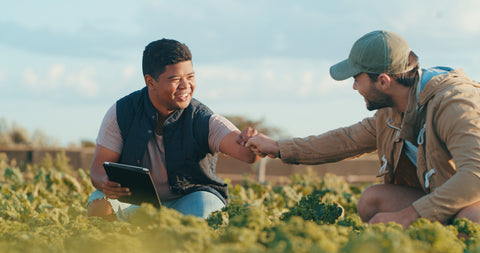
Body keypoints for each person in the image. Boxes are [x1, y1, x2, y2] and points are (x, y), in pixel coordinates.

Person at [237, 30, 480, 229]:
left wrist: (408, 215)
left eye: (356, 78)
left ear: (383, 81)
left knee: (469, 221)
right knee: (372, 201)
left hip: (472, 197)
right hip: (448, 199)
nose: (354, 87)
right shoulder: (394, 108)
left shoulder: (455, 104)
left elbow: (474, 177)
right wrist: (279, 147)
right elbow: (346, 140)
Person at [87, 38, 260, 221]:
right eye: (176, 79)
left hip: (190, 198)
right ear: (150, 82)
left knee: (206, 209)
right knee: (100, 203)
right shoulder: (121, 112)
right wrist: (105, 182)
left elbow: (246, 153)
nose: (186, 86)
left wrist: (253, 145)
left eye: (190, 77)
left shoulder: (203, 119)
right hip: (137, 201)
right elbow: (98, 168)